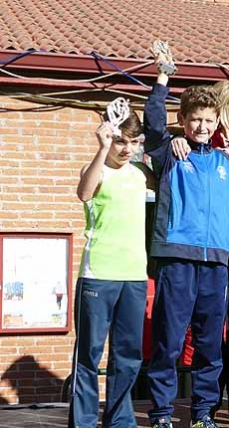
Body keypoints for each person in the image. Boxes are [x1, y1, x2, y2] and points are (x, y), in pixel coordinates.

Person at [144, 57, 229, 428]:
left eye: (209, 120)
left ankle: (202, 413)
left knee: (210, 344)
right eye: (195, 119)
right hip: (177, 255)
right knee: (168, 340)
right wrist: (162, 80)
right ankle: (162, 414)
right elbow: (152, 126)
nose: (202, 126)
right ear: (182, 120)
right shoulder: (171, 153)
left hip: (216, 261)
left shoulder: (226, 160)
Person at [69, 105, 156, 428]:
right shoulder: (96, 169)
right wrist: (102, 148)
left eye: (134, 142)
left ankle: (120, 420)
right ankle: (84, 422)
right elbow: (84, 193)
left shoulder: (141, 174)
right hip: (98, 275)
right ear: (109, 138)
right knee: (89, 354)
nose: (127, 149)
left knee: (128, 355)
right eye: (121, 141)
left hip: (134, 276)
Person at [172, 79, 229, 417]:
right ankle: (200, 403)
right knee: (204, 329)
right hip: (204, 248)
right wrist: (174, 138)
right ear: (224, 107)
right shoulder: (202, 141)